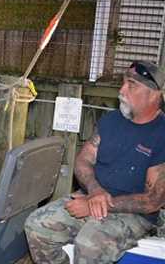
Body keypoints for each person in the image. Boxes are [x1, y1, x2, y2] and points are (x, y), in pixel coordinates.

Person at [25, 60, 165, 263]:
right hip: (93, 196)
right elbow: (83, 160)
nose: (122, 90)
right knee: (36, 225)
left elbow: (154, 200)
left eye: (132, 85)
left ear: (154, 94)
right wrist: (94, 190)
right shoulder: (111, 121)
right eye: (123, 82)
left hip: (133, 213)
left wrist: (97, 205)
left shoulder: (161, 134)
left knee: (89, 245)